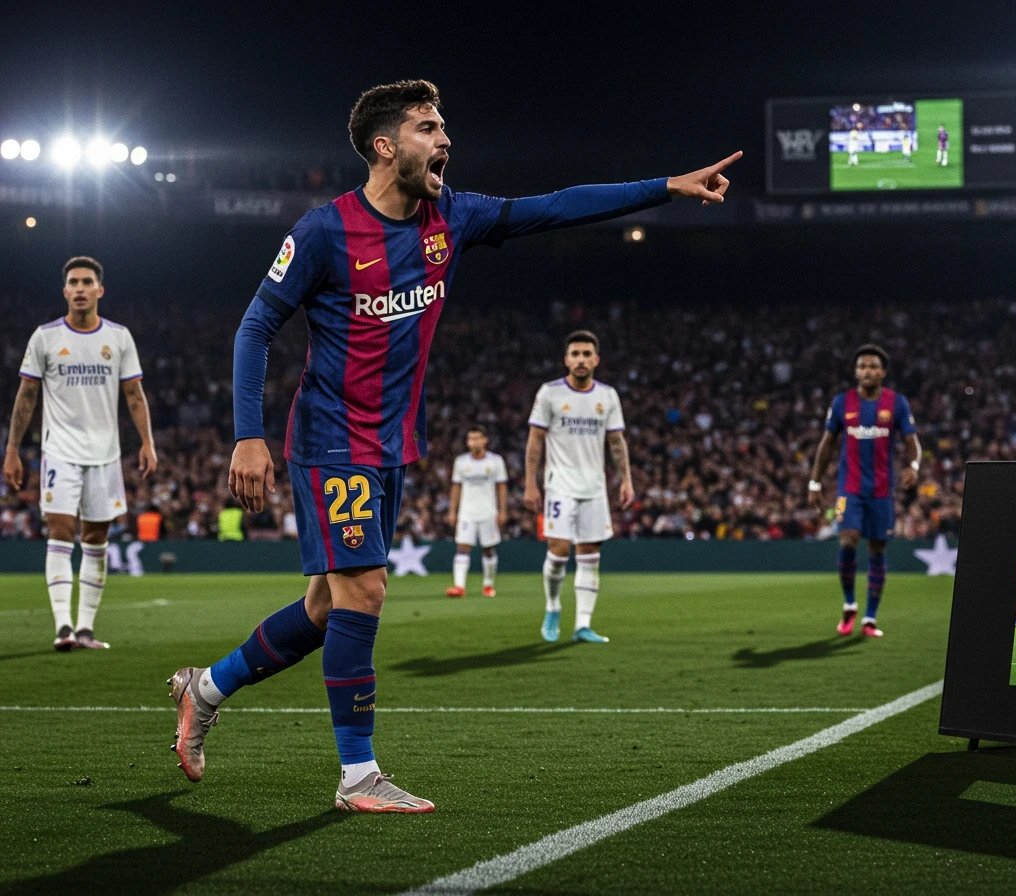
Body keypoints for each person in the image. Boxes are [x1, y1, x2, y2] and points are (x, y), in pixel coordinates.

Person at [166, 79, 740, 813]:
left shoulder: (453, 217)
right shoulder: (323, 232)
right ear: (385, 146)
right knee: (366, 592)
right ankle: (357, 775)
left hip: (392, 443)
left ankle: (204, 689)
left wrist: (666, 187)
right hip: (330, 437)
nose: (445, 140)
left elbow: (558, 206)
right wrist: (248, 437)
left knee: (322, 608)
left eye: (444, 128)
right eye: (428, 128)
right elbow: (254, 328)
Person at [4, 256, 157, 652]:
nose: (80, 288)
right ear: (65, 290)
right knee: (59, 533)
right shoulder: (46, 337)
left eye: (87, 282)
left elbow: (134, 395)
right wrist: (12, 449)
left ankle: (86, 629)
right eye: (73, 282)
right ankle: (63, 627)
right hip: (59, 452)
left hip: (105, 455)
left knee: (95, 539)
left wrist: (148, 442)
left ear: (99, 290)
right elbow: (26, 397)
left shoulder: (119, 338)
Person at [807, 344, 921, 638]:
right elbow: (827, 443)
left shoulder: (896, 403)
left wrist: (915, 465)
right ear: (856, 372)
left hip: (882, 490)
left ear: (882, 372)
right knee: (847, 539)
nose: (866, 371)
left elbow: (912, 441)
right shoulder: (842, 402)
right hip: (850, 489)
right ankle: (849, 604)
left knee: (877, 548)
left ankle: (870, 618)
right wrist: (815, 482)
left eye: (872, 366)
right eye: (861, 366)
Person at [525, 330, 630, 644]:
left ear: (596, 360)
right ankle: (553, 606)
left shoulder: (607, 396)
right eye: (575, 354)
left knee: (589, 556)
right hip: (560, 486)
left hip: (594, 488)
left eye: (587, 354)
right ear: (566, 359)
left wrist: (626, 479)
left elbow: (617, 441)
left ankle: (583, 624)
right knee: (558, 551)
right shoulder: (549, 393)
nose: (581, 360)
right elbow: (534, 441)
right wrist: (530, 483)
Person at [445, 425, 508, 597]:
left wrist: (502, 510)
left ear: (485, 440)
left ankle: (488, 585)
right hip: (467, 512)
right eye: (470, 438)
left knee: (488, 549)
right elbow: (456, 487)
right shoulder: (461, 462)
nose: (473, 442)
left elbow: (501, 487)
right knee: (462, 547)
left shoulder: (495, 461)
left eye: (476, 438)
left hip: (488, 511)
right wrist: (453, 511)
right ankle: (459, 586)